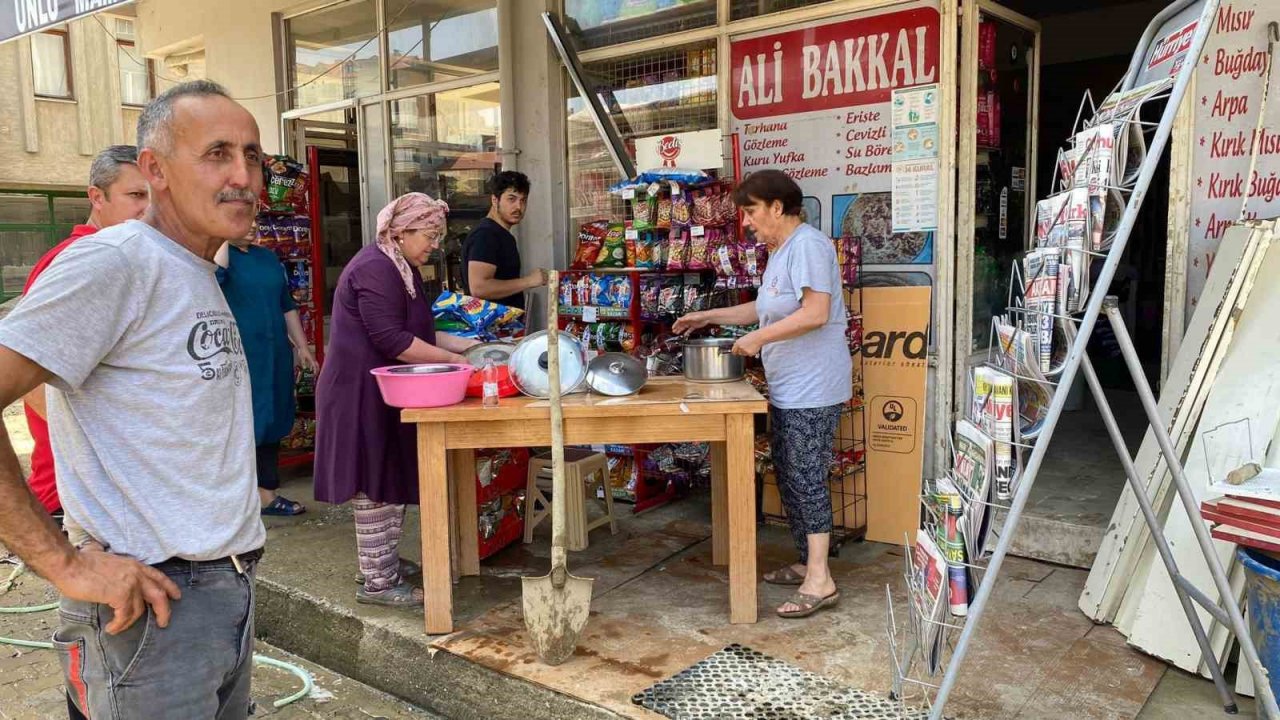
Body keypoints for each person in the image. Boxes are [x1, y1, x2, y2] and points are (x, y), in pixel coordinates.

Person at [0, 80, 267, 718]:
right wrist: (63, 563)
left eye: (253, 156)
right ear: (156, 170)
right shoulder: (113, 263)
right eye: (217, 154)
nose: (244, 176)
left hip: (224, 588)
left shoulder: (194, 269)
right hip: (146, 607)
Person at [673, 169, 851, 619]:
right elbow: (764, 306)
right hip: (790, 384)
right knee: (790, 474)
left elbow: (815, 312)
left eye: (750, 211)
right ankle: (807, 561)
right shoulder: (781, 251)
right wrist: (710, 316)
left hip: (814, 385)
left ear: (777, 207)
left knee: (807, 476)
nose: (746, 222)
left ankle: (820, 579)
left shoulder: (808, 245)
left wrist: (757, 339)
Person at [313, 192, 479, 608]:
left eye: (438, 236)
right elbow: (393, 341)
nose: (435, 244)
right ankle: (377, 582)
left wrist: (473, 347)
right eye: (429, 235)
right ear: (401, 232)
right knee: (372, 483)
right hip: (357, 392)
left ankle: (382, 562)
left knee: (390, 475)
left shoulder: (401, 267)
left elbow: (420, 332)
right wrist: (456, 361)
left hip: (388, 390)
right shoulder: (375, 268)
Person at [20, 145, 150, 518]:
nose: (148, 208)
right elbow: (28, 381)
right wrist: (99, 452)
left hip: (115, 491)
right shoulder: (79, 260)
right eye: (136, 195)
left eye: (155, 196)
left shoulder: (127, 257)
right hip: (80, 495)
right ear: (97, 197)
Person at [215, 228, 320, 516]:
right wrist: (219, 232)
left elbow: (287, 305)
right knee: (245, 420)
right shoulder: (221, 256)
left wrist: (303, 347)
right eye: (241, 219)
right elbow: (215, 275)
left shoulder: (267, 257)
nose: (251, 226)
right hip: (239, 354)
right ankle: (241, 495)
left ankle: (266, 493)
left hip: (274, 353)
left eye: (254, 219)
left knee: (273, 416)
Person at [460, 170, 547, 310]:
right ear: (495, 200)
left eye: (523, 200)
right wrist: (528, 281)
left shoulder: (499, 234)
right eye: (511, 199)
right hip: (490, 328)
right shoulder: (486, 235)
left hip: (503, 327)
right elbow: (479, 288)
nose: (518, 207)